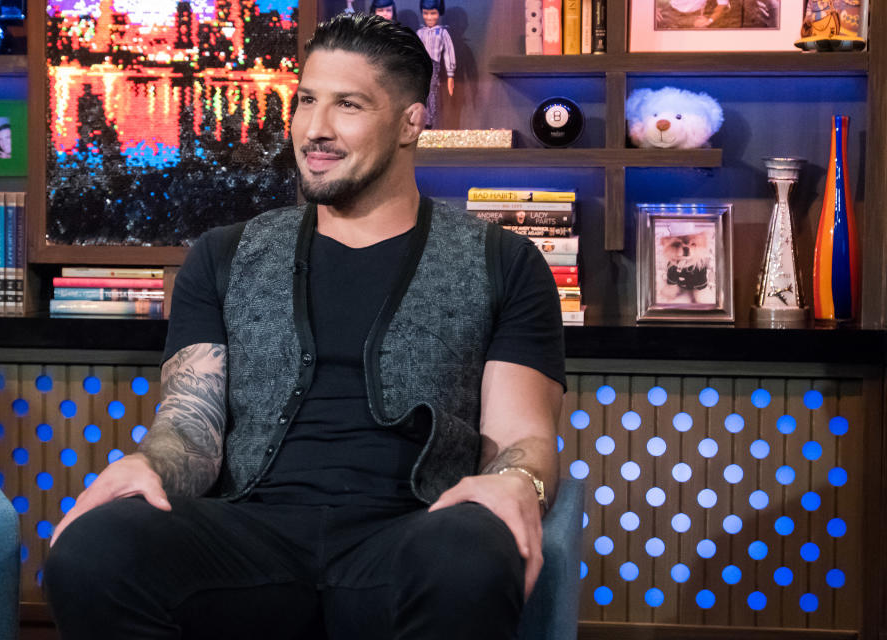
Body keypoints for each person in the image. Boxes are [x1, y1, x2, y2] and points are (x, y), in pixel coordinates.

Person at [44, 13, 564, 640]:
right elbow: (190, 425)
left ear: (410, 123)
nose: (315, 130)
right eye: (307, 101)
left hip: (413, 533)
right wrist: (150, 464)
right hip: (249, 537)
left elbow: (520, 435)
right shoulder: (224, 255)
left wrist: (517, 483)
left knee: (473, 552)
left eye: (348, 105)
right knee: (92, 550)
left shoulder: (503, 262)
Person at [416, 0, 455, 128]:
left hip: (434, 65)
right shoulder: (420, 32)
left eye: (433, 13)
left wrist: (450, 75)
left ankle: (429, 122)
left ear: (439, 13)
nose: (429, 17)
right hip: (420, 67)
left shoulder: (442, 33)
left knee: (431, 92)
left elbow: (448, 53)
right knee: (420, 93)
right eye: (426, 13)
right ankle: (420, 120)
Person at [655, 0, 731, 29]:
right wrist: (653, 8)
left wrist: (709, 21)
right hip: (669, 12)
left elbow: (722, 5)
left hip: (694, 17)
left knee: (703, 40)